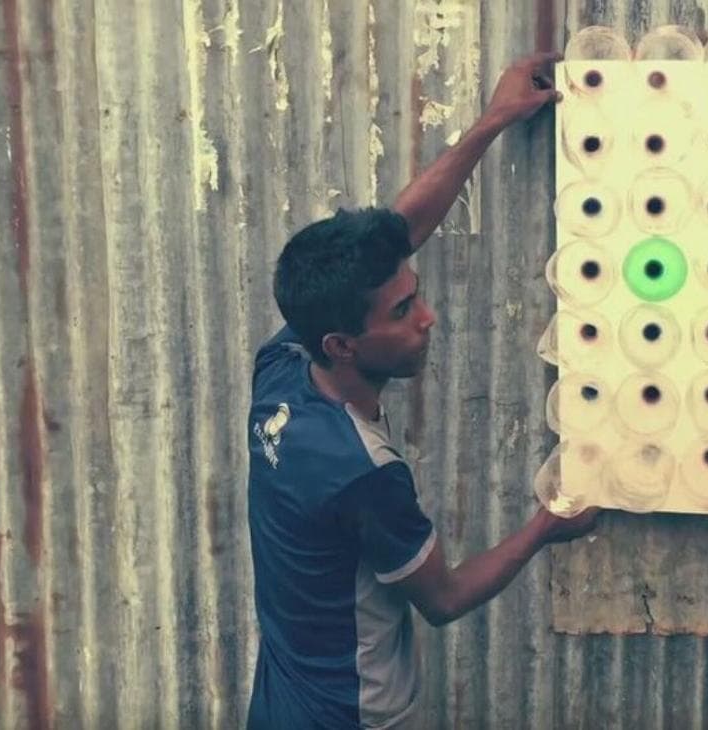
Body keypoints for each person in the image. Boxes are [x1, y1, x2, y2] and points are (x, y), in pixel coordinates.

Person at [245, 52, 598, 729]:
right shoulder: (363, 473)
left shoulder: (283, 368)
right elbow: (443, 597)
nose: (428, 317)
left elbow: (398, 233)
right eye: (404, 312)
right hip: (356, 716)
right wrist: (547, 526)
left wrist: (491, 122)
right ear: (342, 346)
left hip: (283, 699)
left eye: (418, 297)